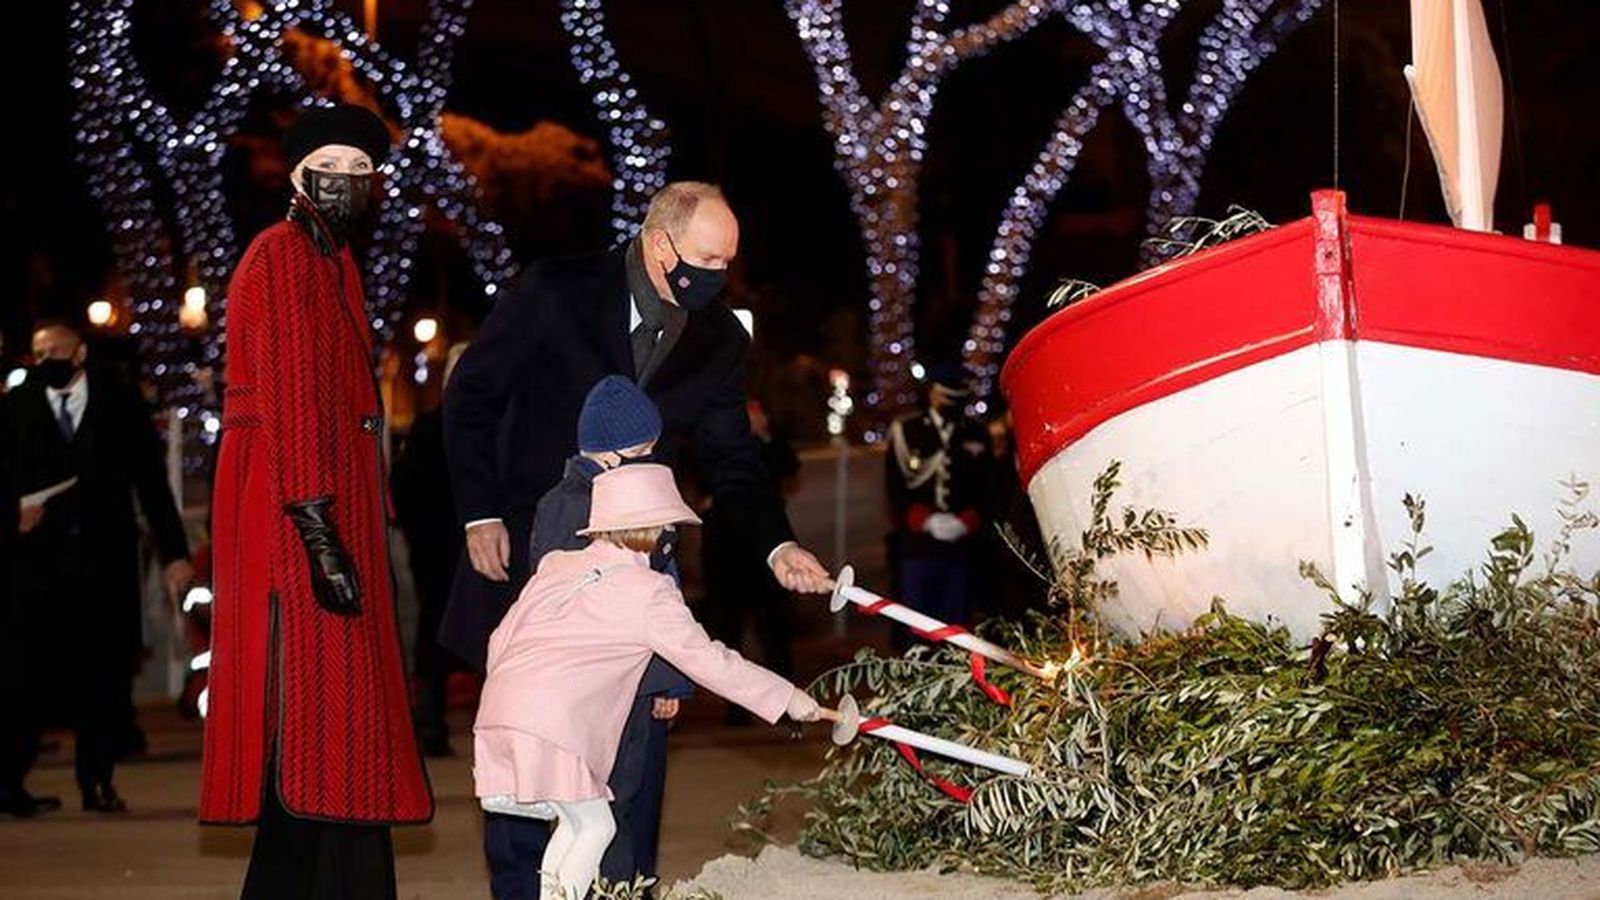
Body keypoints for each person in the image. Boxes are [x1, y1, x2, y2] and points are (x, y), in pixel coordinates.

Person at [441, 180, 833, 887]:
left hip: (635, 576)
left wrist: (779, 543)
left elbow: (731, 456)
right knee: (535, 758)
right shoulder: (555, 290)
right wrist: (481, 512)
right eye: (707, 259)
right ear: (659, 244)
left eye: (728, 262)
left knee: (633, 760)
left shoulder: (718, 338)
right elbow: (472, 396)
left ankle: (622, 888)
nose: (717, 276)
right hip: (532, 556)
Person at [202, 103, 432, 900]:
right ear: (298, 173)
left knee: (331, 724)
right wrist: (318, 532)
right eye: (329, 163)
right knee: (317, 717)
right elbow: (295, 402)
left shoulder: (332, 261)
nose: (345, 179)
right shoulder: (285, 256)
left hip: (325, 507)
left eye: (361, 169)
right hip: (298, 514)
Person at [474, 463, 821, 900]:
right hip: (554, 730)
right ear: (656, 529)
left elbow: (499, 637)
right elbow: (713, 663)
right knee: (596, 827)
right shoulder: (649, 591)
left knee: (579, 824)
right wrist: (787, 698)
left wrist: (507, 696)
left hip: (498, 717)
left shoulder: (558, 564)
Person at [487, 375, 692, 898]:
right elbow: (635, 601)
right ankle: (612, 891)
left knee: (586, 819)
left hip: (591, 684)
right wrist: (663, 681)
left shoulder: (566, 500)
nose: (650, 461)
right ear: (606, 457)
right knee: (613, 808)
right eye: (641, 452)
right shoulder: (598, 509)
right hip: (610, 685)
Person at [3, 322, 193, 813]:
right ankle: (9, 782)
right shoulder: (15, 408)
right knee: (26, 674)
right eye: (39, 352)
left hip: (102, 564)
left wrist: (175, 553)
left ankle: (97, 779)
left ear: (81, 353)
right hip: (36, 567)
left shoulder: (120, 403)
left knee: (102, 676)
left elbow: (151, 483)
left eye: (58, 351)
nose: (48, 360)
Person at [393, 342, 471, 757]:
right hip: (439, 549)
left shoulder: (495, 424)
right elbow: (404, 491)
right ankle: (429, 723)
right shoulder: (428, 430)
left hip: (476, 548)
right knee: (433, 633)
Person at [702, 399, 800, 719]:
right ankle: (736, 708)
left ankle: (787, 701)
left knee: (774, 630)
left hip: (763, 554)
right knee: (729, 633)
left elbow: (787, 465)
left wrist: (765, 436)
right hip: (726, 554)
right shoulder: (714, 445)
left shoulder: (766, 448)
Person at [885, 362, 993, 644]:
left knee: (956, 630)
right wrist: (925, 520)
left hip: (960, 548)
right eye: (946, 397)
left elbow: (987, 488)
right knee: (916, 626)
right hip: (917, 546)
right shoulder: (906, 431)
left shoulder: (975, 433)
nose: (951, 404)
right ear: (932, 393)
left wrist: (968, 521)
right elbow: (895, 487)